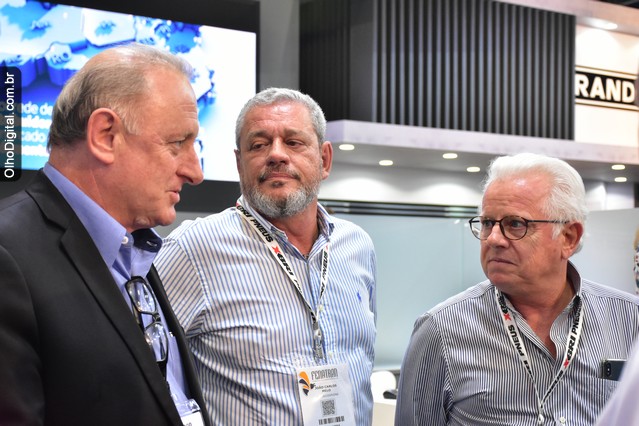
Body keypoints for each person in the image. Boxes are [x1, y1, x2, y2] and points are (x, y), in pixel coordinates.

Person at [0, 43, 210, 425]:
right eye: (177, 143)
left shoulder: (133, 252)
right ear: (105, 135)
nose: (195, 172)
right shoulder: (7, 254)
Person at [155, 87, 377, 425]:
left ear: (325, 159)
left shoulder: (357, 246)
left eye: (294, 142)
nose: (276, 155)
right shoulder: (193, 249)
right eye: (258, 145)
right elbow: (141, 372)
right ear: (239, 163)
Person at [394, 152, 639, 425]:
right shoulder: (440, 329)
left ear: (568, 238)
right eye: (487, 223)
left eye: (515, 224)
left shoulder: (630, 319)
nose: (494, 239)